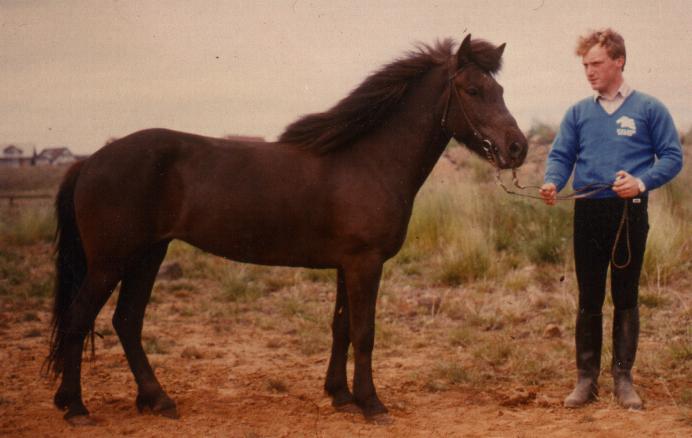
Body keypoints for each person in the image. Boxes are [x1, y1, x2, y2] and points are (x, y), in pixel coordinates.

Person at [540, 29, 683, 410]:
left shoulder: (649, 109)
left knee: (625, 295)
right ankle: (586, 380)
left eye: (597, 63)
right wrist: (553, 182)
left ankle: (623, 378)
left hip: (628, 214)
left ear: (618, 61)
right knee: (589, 298)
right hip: (588, 211)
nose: (589, 71)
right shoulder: (578, 113)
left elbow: (672, 157)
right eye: (585, 65)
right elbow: (560, 155)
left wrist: (640, 181)